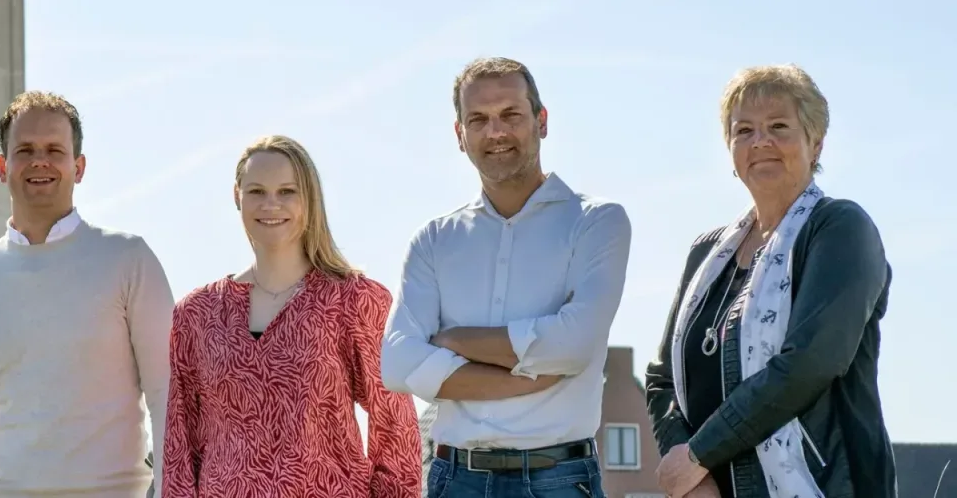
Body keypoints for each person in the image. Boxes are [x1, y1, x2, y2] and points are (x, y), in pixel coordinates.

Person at [378, 57, 632, 497]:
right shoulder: (433, 240)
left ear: (541, 121)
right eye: (478, 119)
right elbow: (398, 364)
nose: (495, 132)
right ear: (460, 135)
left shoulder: (596, 222)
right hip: (455, 479)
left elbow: (574, 346)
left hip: (557, 480)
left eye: (510, 115)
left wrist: (452, 339)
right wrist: (523, 376)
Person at [644, 64, 896, 498]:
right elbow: (662, 378)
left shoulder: (840, 229)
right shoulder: (705, 254)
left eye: (778, 126)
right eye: (744, 130)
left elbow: (810, 363)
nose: (760, 141)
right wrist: (693, 478)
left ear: (816, 143)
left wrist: (698, 455)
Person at [0, 90, 174, 498]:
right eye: (25, 150)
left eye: (54, 150)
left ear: (79, 167)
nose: (39, 161)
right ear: (3, 166)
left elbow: (168, 396)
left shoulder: (129, 260)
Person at [163, 135, 423, 496]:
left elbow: (396, 429)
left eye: (287, 191)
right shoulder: (196, 314)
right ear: (237, 196)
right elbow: (179, 443)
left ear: (309, 199)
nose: (271, 204)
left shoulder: (354, 300)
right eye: (257, 191)